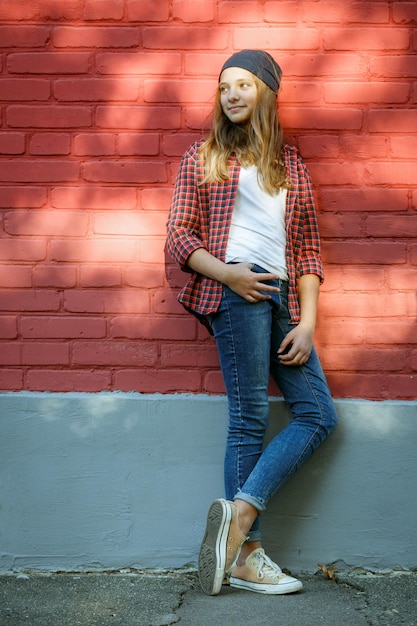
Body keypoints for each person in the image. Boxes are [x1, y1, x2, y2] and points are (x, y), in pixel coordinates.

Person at [166, 49, 338, 597]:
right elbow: (179, 237)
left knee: (318, 414)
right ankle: (248, 554)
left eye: (243, 84)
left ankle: (237, 524)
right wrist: (231, 277)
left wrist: (307, 322)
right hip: (236, 293)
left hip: (284, 299)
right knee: (249, 418)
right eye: (223, 87)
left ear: (266, 91)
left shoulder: (290, 164)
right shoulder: (204, 156)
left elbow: (308, 251)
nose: (232, 94)